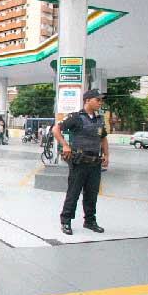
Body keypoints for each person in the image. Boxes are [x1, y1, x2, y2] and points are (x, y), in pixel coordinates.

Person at [52, 89, 109, 236]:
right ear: (87, 100)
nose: (100, 102)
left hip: (95, 163)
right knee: (73, 193)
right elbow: (56, 129)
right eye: (97, 100)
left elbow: (103, 138)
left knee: (92, 194)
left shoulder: (99, 119)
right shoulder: (76, 117)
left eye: (101, 100)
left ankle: (90, 221)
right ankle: (66, 221)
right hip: (79, 163)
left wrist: (107, 155)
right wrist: (65, 145)